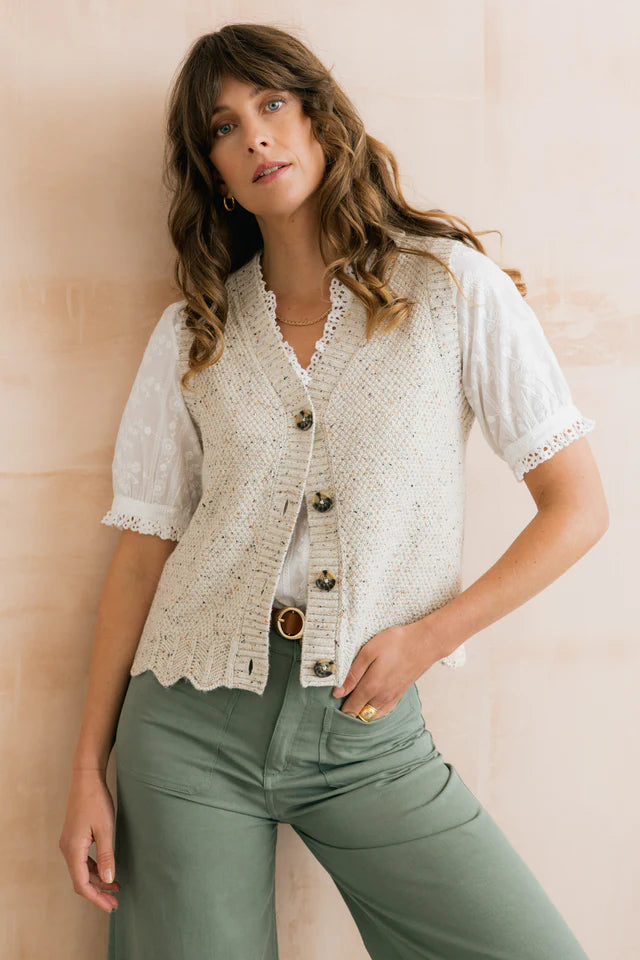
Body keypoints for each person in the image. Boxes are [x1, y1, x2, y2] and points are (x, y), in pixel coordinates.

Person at [59, 23, 607, 960]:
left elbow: (579, 508)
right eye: (224, 128)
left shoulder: (451, 290)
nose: (256, 136)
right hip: (187, 729)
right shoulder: (194, 331)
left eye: (272, 104)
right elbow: (143, 556)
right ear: (214, 173)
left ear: (319, 119)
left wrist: (427, 639)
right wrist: (85, 770)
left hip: (366, 728)